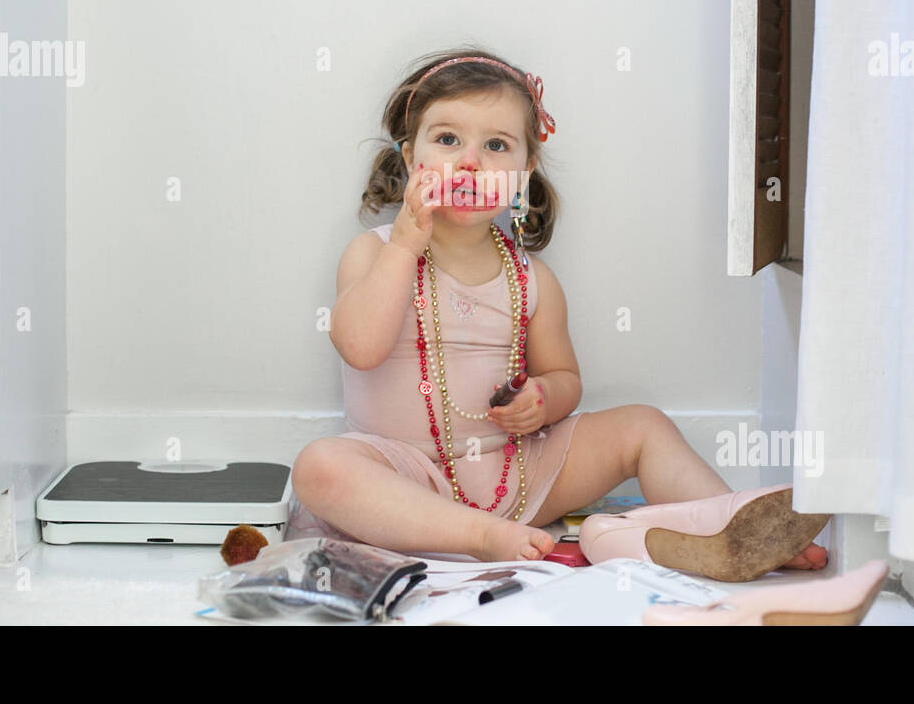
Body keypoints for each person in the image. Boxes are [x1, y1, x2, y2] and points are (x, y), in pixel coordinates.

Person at [286, 48, 829, 567]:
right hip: (404, 478)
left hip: (516, 471)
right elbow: (360, 348)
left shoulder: (532, 280)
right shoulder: (374, 252)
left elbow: (566, 378)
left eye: (497, 146)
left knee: (643, 424)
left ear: (526, 169)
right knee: (322, 466)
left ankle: (730, 528)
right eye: (448, 139)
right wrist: (405, 246)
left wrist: (542, 399)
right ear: (411, 157)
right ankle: (478, 536)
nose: (470, 162)